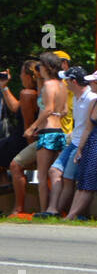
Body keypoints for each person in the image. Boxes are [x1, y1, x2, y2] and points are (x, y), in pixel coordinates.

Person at [39, 66, 96, 217]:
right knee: (54, 170)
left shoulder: (92, 98)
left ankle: (58, 211)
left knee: (68, 178)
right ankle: (52, 209)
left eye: (66, 80)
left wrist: (81, 147)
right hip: (74, 141)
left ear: (74, 81)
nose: (64, 83)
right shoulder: (76, 97)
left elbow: (91, 126)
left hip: (82, 144)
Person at [63, 70, 97, 221]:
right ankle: (72, 214)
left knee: (90, 179)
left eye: (92, 82)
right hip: (91, 143)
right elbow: (88, 127)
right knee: (82, 180)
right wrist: (80, 149)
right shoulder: (94, 102)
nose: (89, 84)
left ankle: (72, 215)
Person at [4, 60, 43, 214]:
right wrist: (4, 86)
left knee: (14, 165)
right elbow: (15, 108)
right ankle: (6, 201)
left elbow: (28, 125)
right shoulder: (33, 93)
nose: (19, 76)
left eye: (21, 72)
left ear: (28, 75)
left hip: (21, 140)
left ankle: (17, 208)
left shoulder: (27, 94)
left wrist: (31, 149)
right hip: (19, 138)